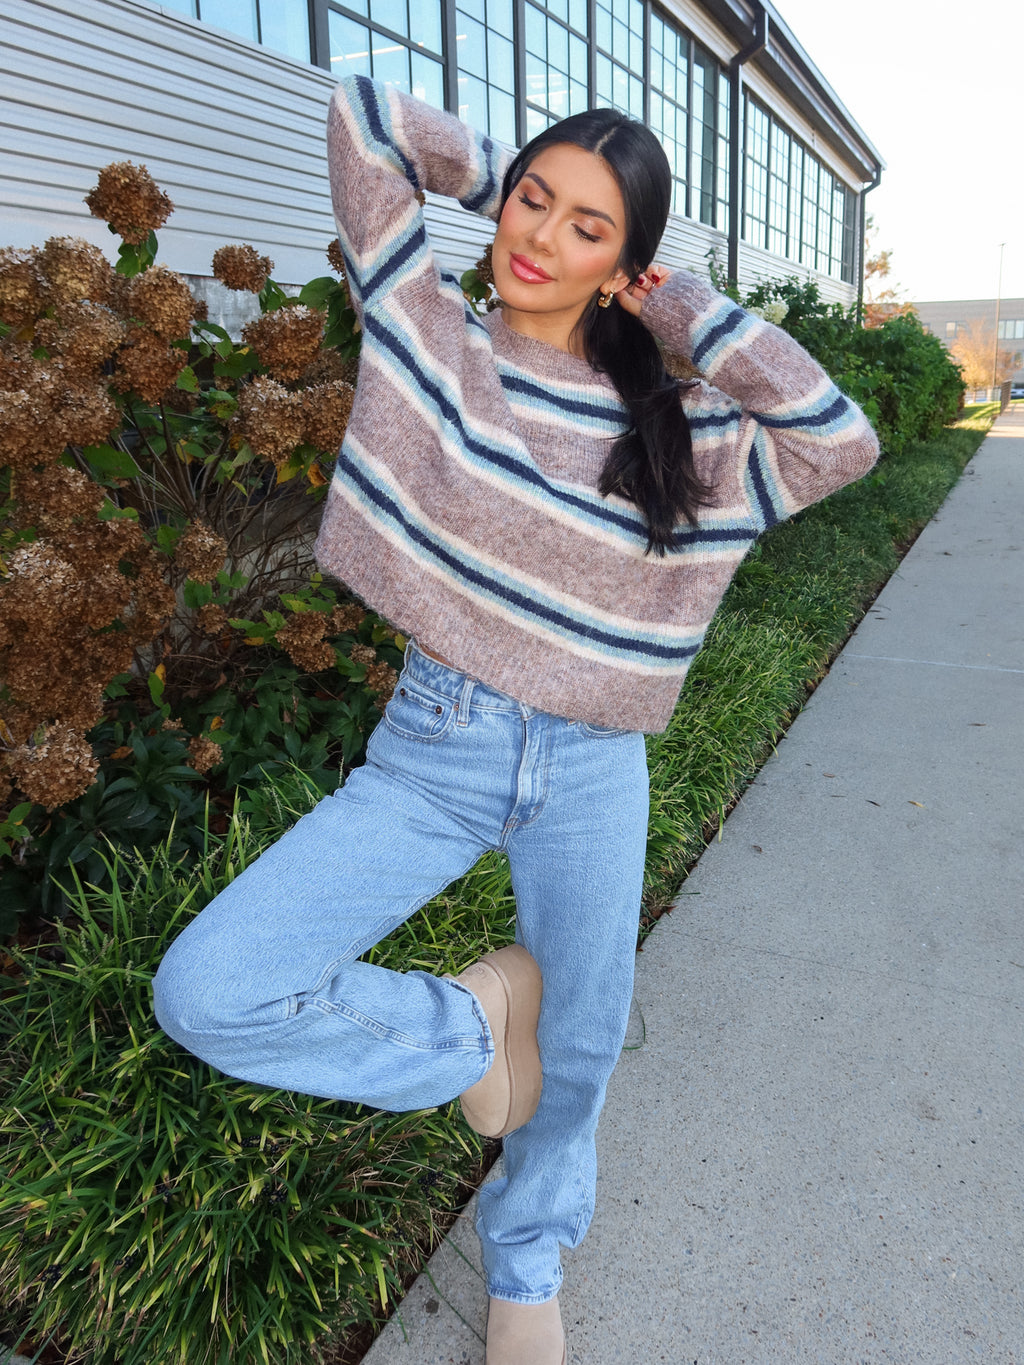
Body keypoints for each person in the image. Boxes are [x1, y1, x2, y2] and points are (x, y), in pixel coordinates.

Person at [153, 75, 879, 1365]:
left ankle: (529, 1255)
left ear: (628, 266)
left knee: (587, 1035)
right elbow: (368, 120)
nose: (540, 237)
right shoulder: (429, 335)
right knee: (212, 991)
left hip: (595, 764)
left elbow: (839, 440)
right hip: (435, 750)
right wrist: (518, 176)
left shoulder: (684, 433)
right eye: (533, 203)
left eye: (588, 228)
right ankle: (470, 1030)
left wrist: (678, 305)